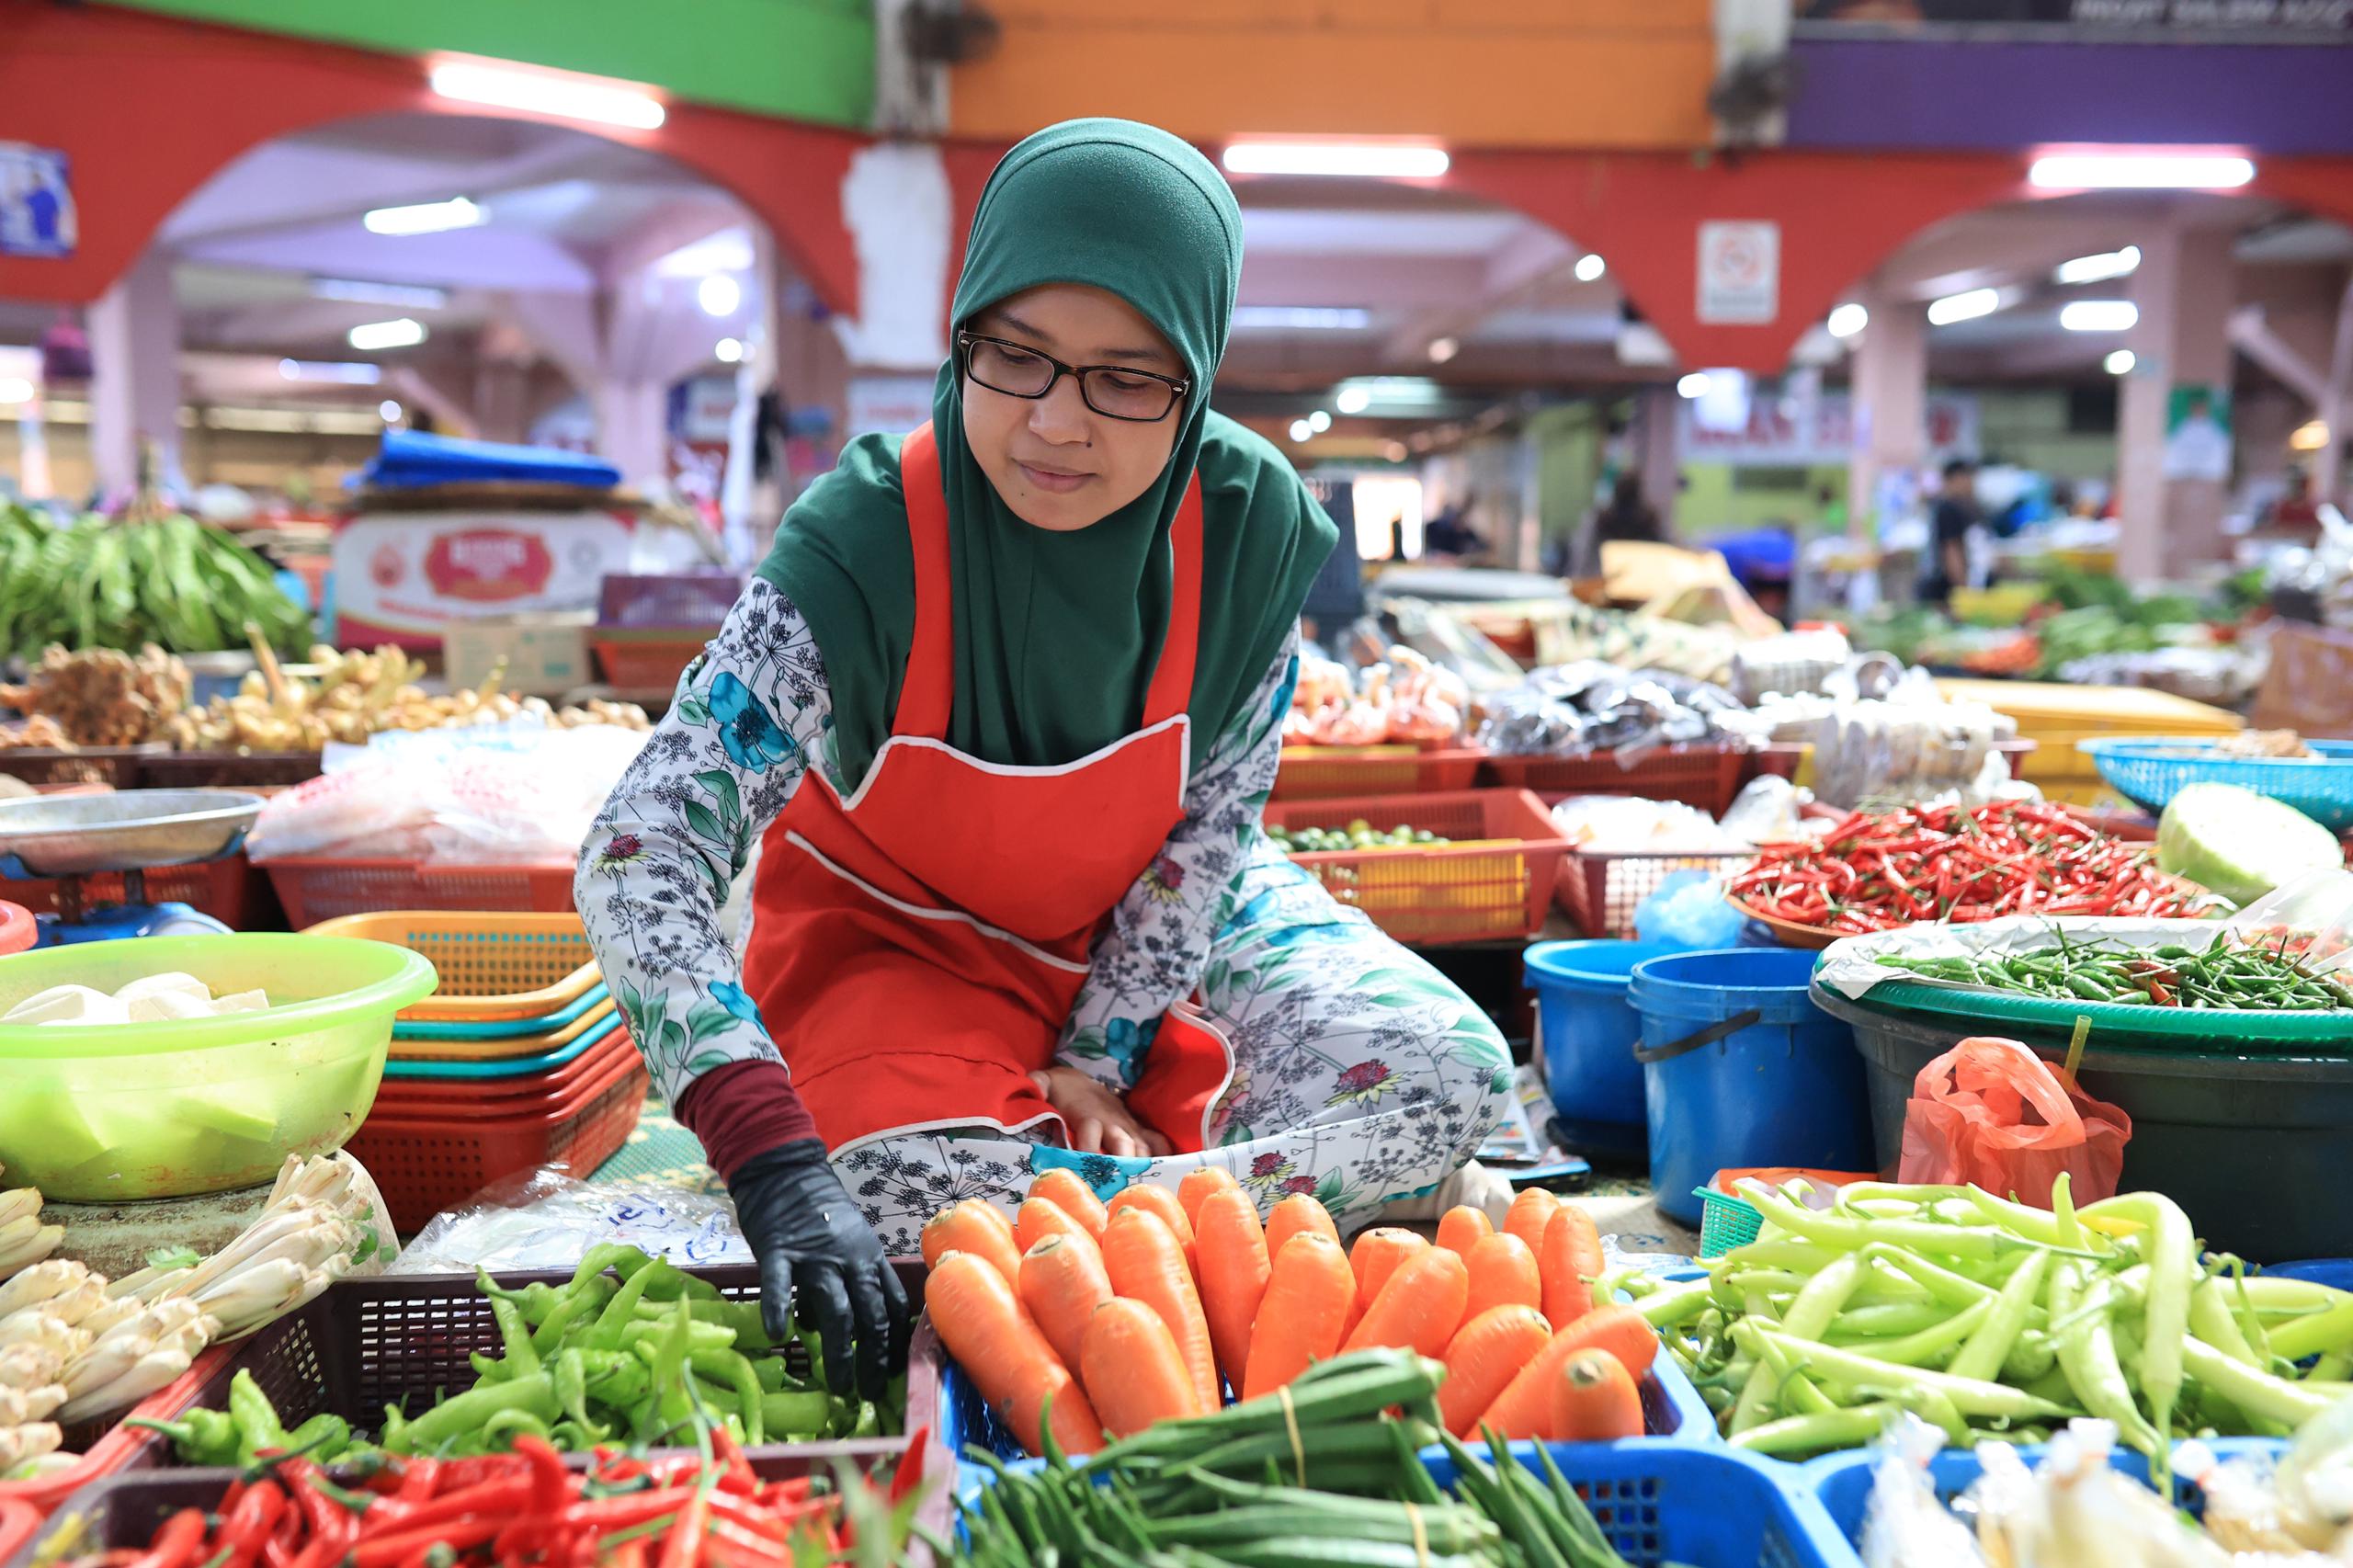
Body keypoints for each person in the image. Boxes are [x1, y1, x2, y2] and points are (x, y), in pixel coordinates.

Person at [577, 119, 1513, 1400]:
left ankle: (1102, 1232)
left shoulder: (1249, 538)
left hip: (1152, 926)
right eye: (1014, 356)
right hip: (896, 946)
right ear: (962, 335)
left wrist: (1101, 1057)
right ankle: (1239, 1228)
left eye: (1125, 379)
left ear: (1195, 382)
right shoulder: (861, 543)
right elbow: (640, 850)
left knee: (1447, 1073)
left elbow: (1206, 840)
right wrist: (765, 1151)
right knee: (887, 1188)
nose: (1055, 422)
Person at [1922, 457, 1980, 607]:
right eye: (1968, 478)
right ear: (1955, 479)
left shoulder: (1941, 505)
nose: (1971, 484)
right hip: (1942, 587)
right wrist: (1963, 590)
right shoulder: (1949, 509)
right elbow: (1951, 551)